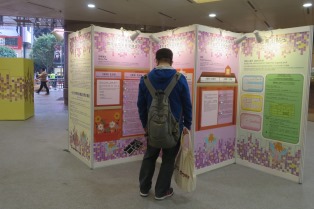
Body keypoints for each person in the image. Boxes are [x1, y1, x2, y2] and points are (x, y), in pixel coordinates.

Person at [137, 48, 192, 200]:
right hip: (174, 129)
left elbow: (140, 105)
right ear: (171, 60)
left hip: (152, 128)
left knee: (150, 156)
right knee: (168, 159)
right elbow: (187, 105)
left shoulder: (146, 79)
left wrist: (145, 125)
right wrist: (187, 126)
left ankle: (144, 188)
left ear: (156, 60)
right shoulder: (180, 78)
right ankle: (161, 191)